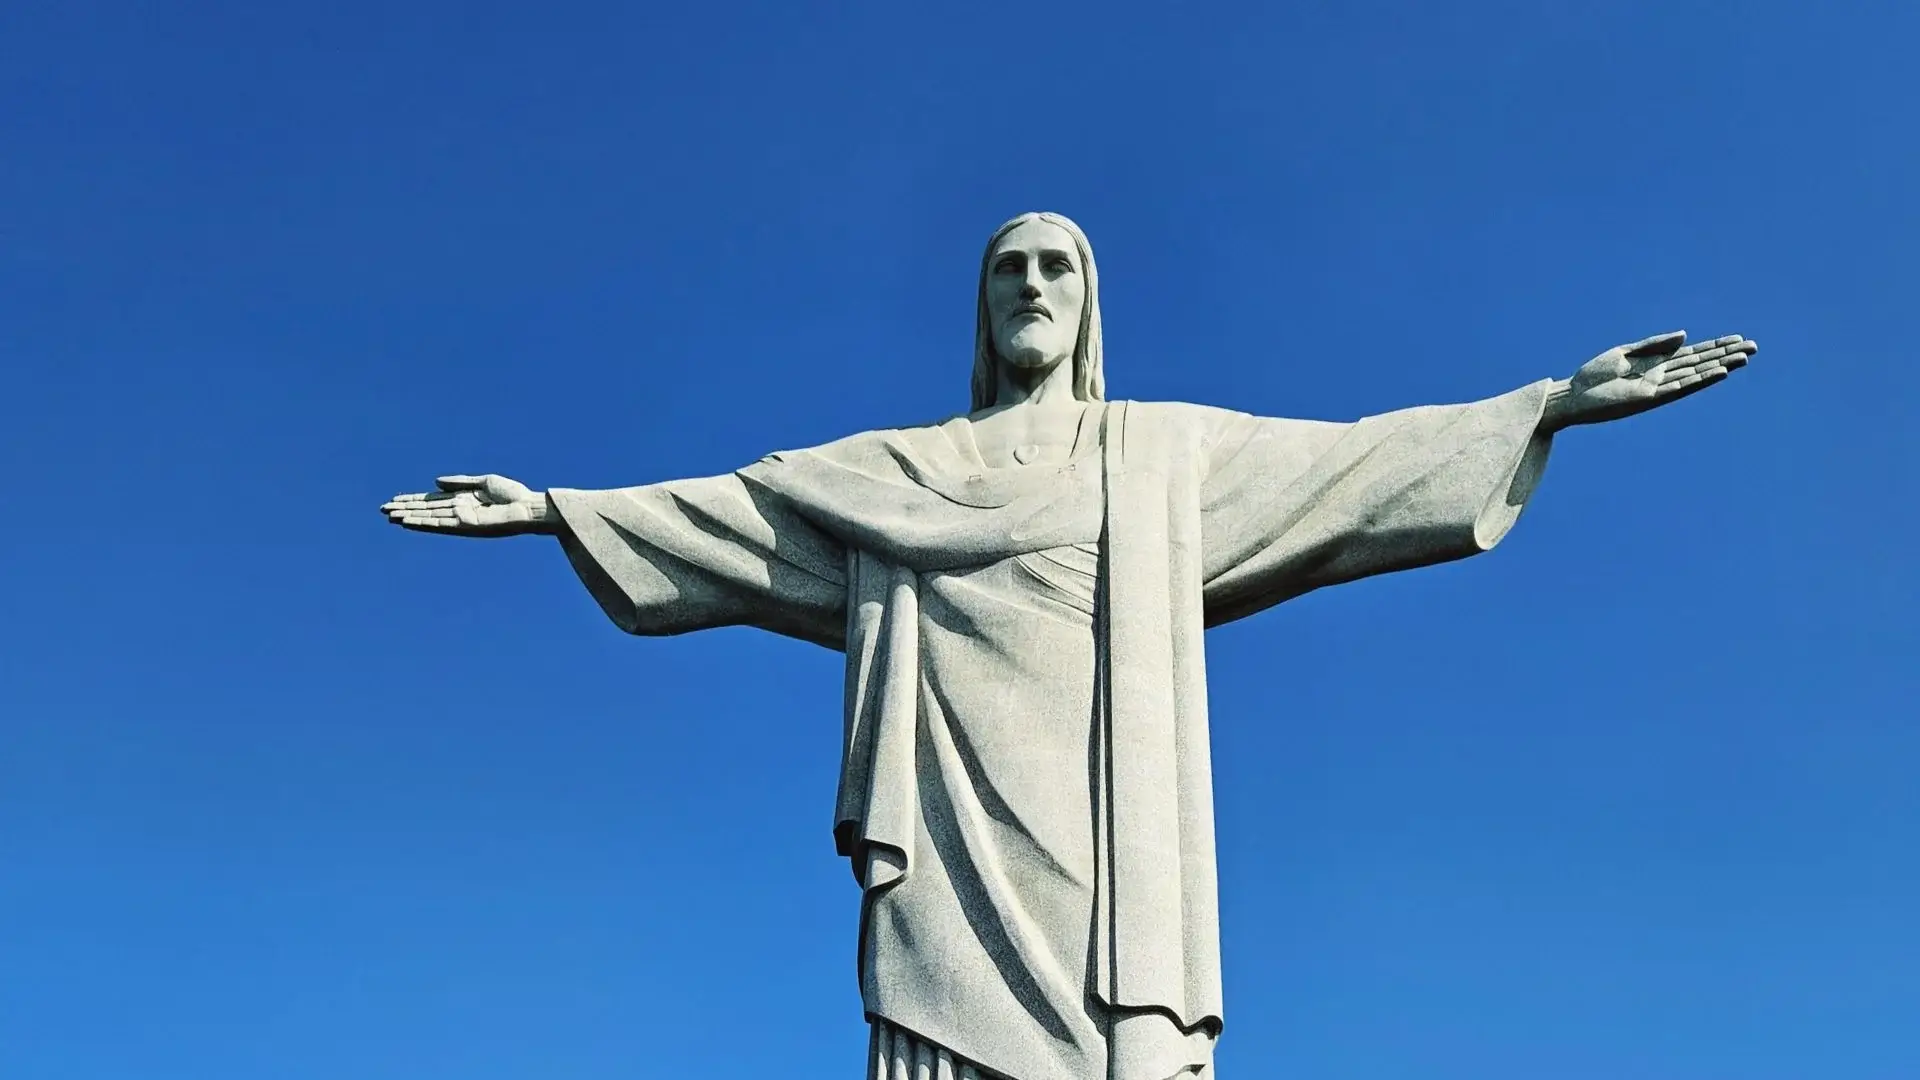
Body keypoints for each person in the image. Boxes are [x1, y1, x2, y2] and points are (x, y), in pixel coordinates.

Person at [383, 212, 1757, 1080]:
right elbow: (738, 514)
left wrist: (1543, 406)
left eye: (1056, 267)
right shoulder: (897, 473)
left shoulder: (1158, 455)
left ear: (1089, 304)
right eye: (1008, 269)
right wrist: (557, 508)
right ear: (981, 307)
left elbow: (1350, 468)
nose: (1031, 284)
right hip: (949, 854)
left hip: (1112, 862)